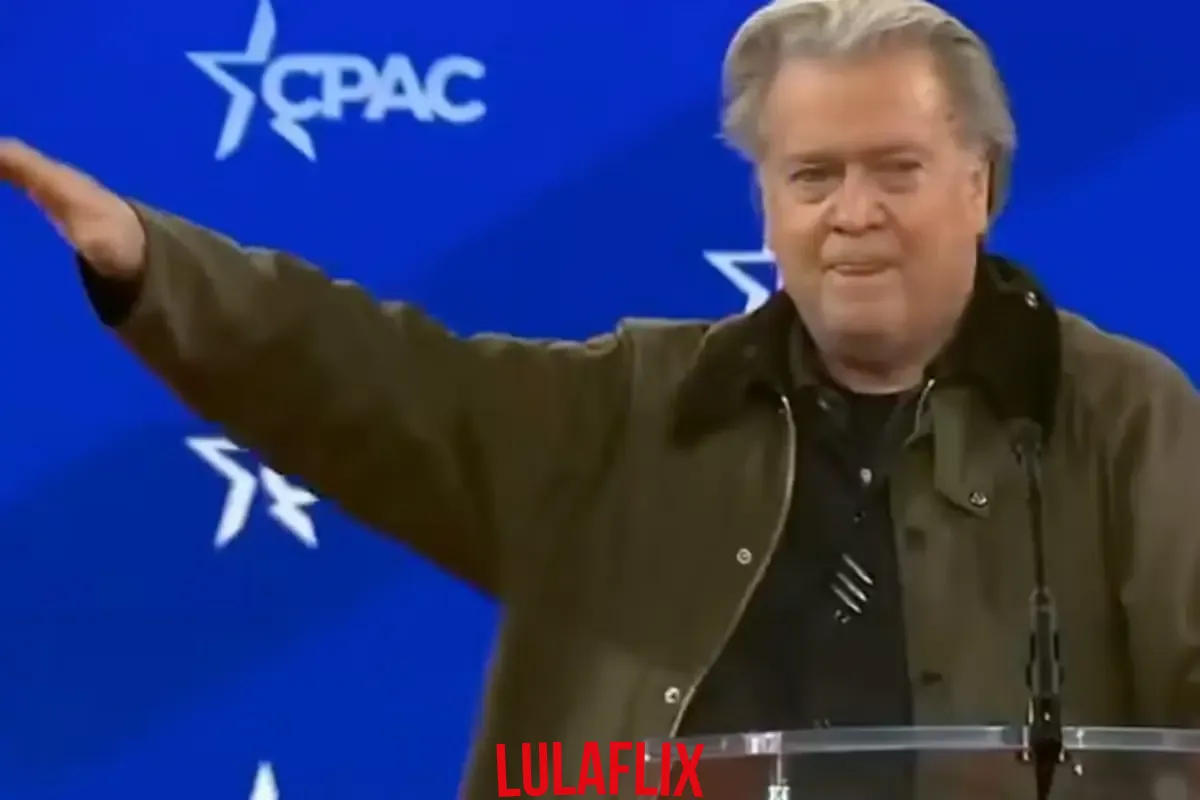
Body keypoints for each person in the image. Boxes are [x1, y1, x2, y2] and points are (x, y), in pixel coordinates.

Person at [2, 0, 1197, 796]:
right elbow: (373, 378)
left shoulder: (1119, 415)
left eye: (898, 169)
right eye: (812, 175)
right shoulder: (634, 411)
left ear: (980, 185)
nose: (853, 212)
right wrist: (149, 264)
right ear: (767, 205)